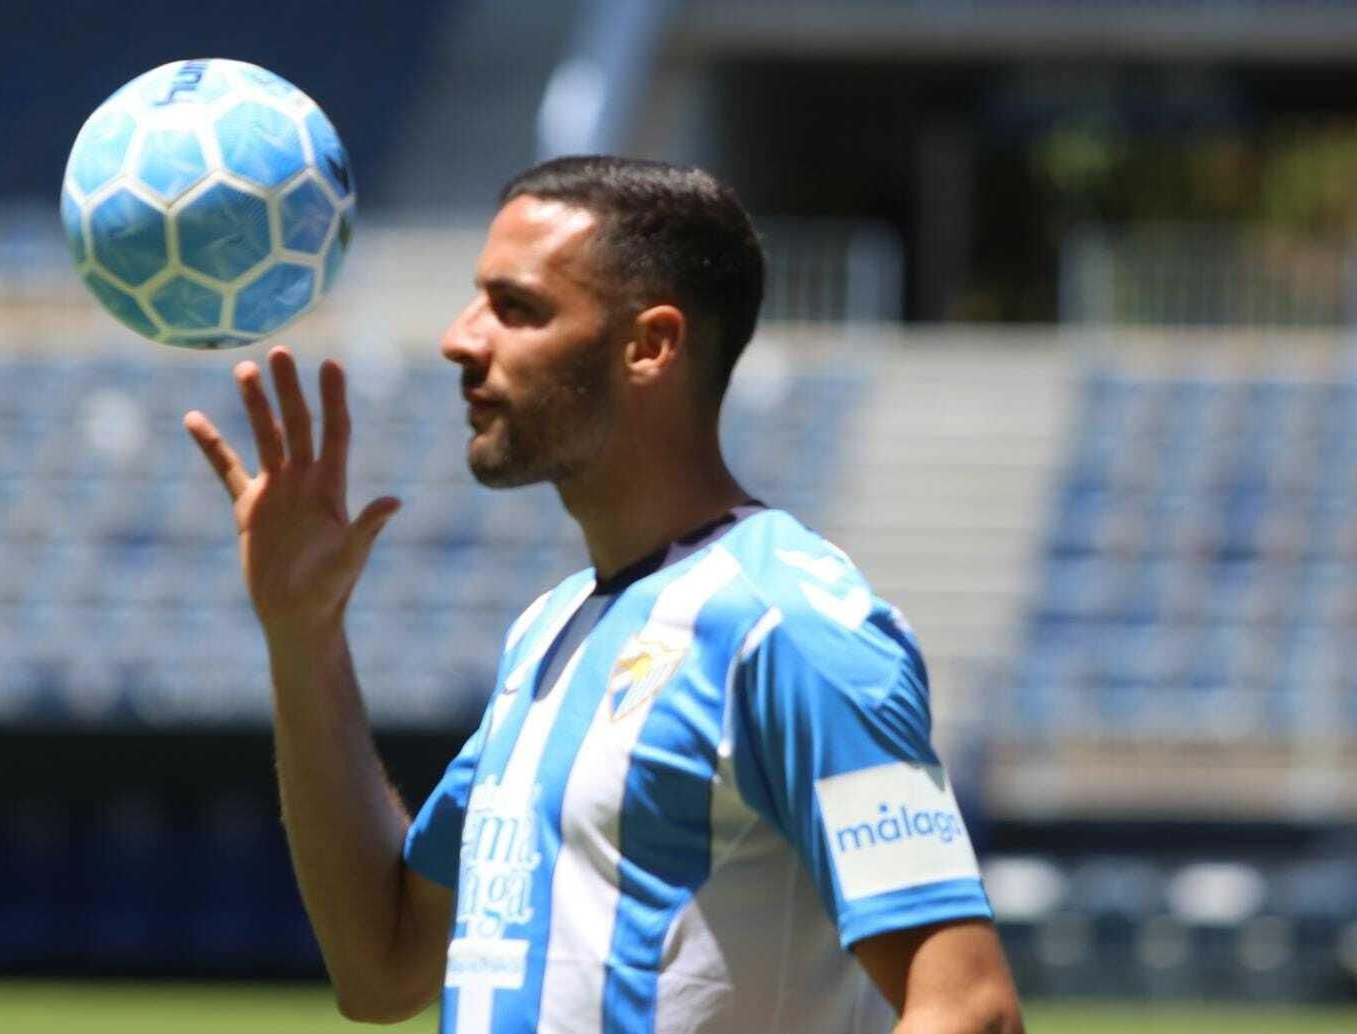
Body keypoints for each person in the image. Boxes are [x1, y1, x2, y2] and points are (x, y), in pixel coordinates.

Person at [182, 156, 1023, 1033]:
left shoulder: (790, 628)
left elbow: (969, 1007)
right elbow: (383, 967)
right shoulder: (550, 632)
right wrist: (304, 635)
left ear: (650, 345)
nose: (460, 338)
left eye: (517, 308)